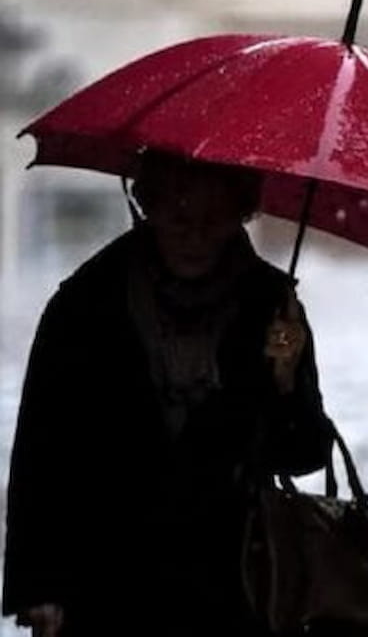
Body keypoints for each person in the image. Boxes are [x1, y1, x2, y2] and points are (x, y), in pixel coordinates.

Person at [2, 151, 334, 637]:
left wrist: (286, 386)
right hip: (106, 580)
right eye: (180, 216)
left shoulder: (273, 307)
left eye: (214, 219)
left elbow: (303, 452)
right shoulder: (88, 302)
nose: (196, 235)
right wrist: (39, 587)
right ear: (148, 207)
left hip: (232, 587)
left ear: (240, 215)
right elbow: (42, 451)